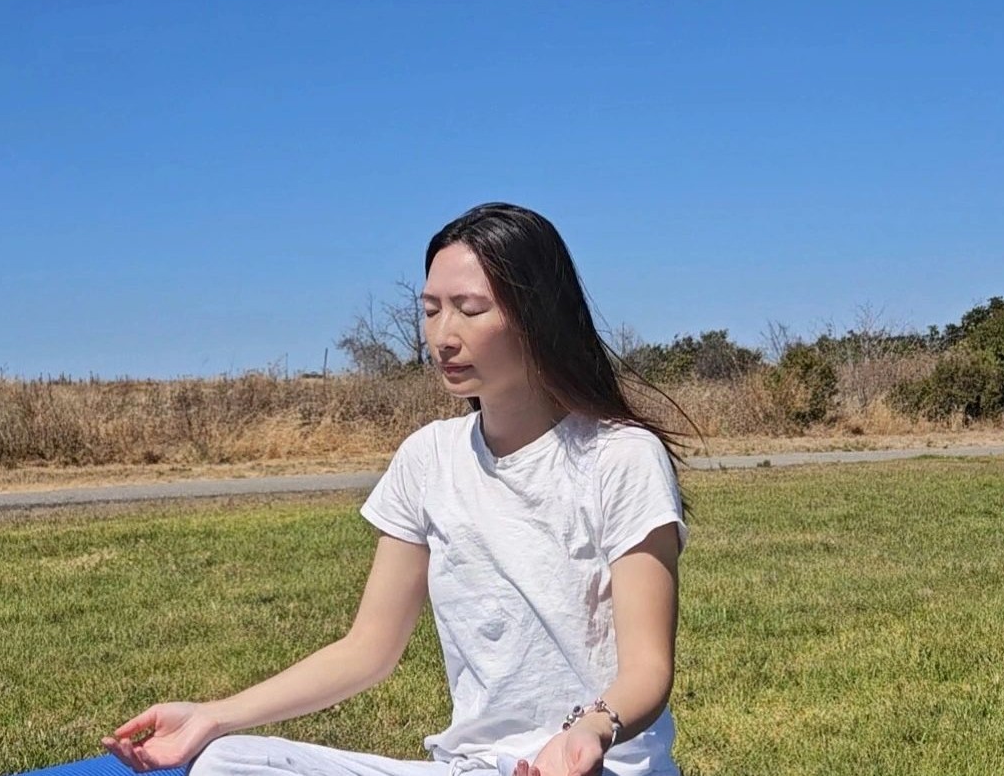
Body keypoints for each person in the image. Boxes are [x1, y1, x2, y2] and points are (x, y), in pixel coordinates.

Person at [102, 203, 692, 776]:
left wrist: (590, 731)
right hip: (469, 769)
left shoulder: (620, 456)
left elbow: (647, 670)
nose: (443, 335)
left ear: (539, 316)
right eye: (431, 310)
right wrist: (213, 716)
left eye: (470, 309)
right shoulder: (427, 458)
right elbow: (368, 648)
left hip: (597, 767)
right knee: (226, 763)